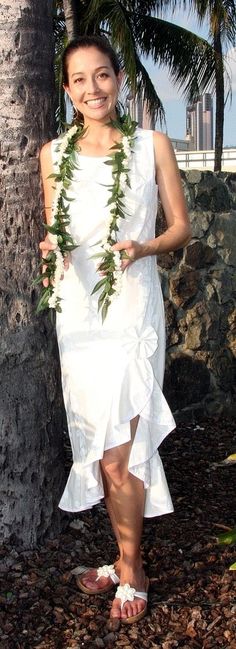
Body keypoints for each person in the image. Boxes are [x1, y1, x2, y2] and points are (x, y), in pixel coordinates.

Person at [39, 34, 191, 627]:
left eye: (102, 75)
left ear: (119, 78)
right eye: (79, 79)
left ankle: (134, 570)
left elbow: (180, 228)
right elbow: (58, 231)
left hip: (129, 308)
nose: (92, 88)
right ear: (68, 89)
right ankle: (123, 553)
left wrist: (144, 247)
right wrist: (51, 247)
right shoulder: (54, 154)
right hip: (77, 314)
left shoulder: (151, 145)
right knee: (97, 444)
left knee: (120, 448)